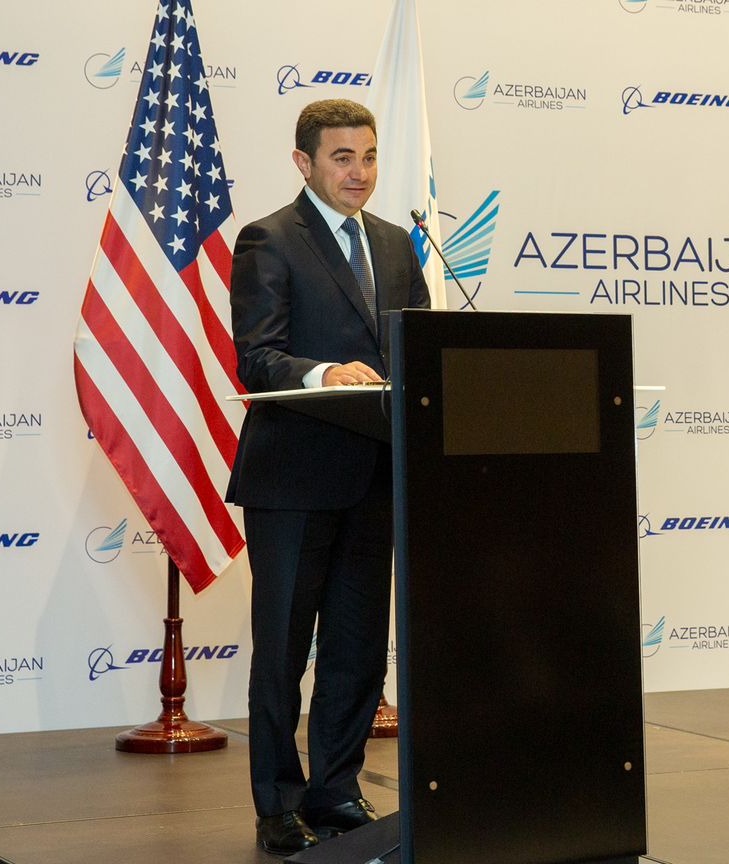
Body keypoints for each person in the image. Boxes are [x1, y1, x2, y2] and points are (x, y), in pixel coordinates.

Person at [227, 98, 430, 856]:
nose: (359, 172)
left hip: (375, 476)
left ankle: (336, 789)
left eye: (369, 156)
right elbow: (258, 356)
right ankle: (278, 803)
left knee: (357, 648)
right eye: (342, 158)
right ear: (303, 162)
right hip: (293, 478)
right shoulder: (269, 239)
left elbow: (417, 347)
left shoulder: (397, 244)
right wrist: (323, 373)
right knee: (283, 650)